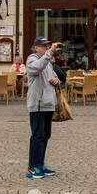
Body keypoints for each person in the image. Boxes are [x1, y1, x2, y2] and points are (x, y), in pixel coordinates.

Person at [24, 37, 59, 179]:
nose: (46, 48)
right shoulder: (32, 59)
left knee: (45, 135)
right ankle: (33, 166)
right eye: (43, 46)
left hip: (48, 103)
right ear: (36, 47)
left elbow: (54, 75)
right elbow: (38, 67)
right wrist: (50, 53)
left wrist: (56, 80)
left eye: (47, 46)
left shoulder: (47, 61)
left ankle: (40, 164)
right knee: (37, 136)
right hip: (37, 104)